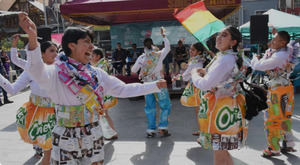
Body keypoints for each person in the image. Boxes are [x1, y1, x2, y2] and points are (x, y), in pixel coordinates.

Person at [19, 12, 167, 165]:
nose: (92, 47)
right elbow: (36, 69)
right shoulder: (55, 73)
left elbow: (122, 89)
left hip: (93, 135)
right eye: (87, 42)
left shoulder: (96, 73)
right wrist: (32, 38)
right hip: (65, 137)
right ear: (71, 45)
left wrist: (153, 86)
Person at [191, 26, 247, 165]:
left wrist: (194, 74)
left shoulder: (225, 59)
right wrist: (206, 73)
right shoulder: (226, 57)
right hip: (225, 106)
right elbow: (217, 78)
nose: (219, 38)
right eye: (219, 35)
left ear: (233, 42)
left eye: (224, 35)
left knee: (219, 149)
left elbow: (204, 84)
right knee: (222, 148)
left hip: (220, 108)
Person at [3, 35, 58, 165]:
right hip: (39, 117)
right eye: (51, 51)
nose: (56, 54)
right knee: (48, 151)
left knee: (56, 151)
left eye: (56, 50)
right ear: (41, 54)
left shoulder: (61, 68)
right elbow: (12, 89)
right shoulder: (31, 70)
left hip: (61, 114)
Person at [251, 31, 297, 157]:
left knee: (272, 119)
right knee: (284, 117)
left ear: (283, 43)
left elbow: (258, 66)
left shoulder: (279, 56)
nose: (272, 42)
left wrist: (255, 57)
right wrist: (275, 37)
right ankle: (288, 144)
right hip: (286, 88)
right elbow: (282, 42)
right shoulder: (288, 49)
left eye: (275, 40)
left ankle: (274, 148)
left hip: (278, 92)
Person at [131, 27, 172, 138]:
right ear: (153, 45)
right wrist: (164, 36)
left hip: (147, 85)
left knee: (150, 107)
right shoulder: (158, 54)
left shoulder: (141, 57)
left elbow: (133, 71)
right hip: (159, 83)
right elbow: (167, 47)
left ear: (144, 47)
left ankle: (151, 129)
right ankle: (163, 128)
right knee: (165, 105)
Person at [91, 48, 118, 140]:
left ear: (98, 56)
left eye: (93, 55)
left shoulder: (101, 65)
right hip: (105, 92)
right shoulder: (103, 63)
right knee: (103, 114)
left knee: (104, 114)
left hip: (104, 94)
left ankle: (112, 132)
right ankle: (110, 132)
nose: (91, 57)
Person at [181, 42, 206, 136]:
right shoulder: (199, 60)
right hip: (199, 86)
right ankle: (202, 130)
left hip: (197, 87)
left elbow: (185, 77)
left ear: (199, 52)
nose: (190, 51)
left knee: (200, 110)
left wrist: (183, 74)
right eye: (190, 49)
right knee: (200, 110)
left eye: (193, 50)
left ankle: (203, 132)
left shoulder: (195, 62)